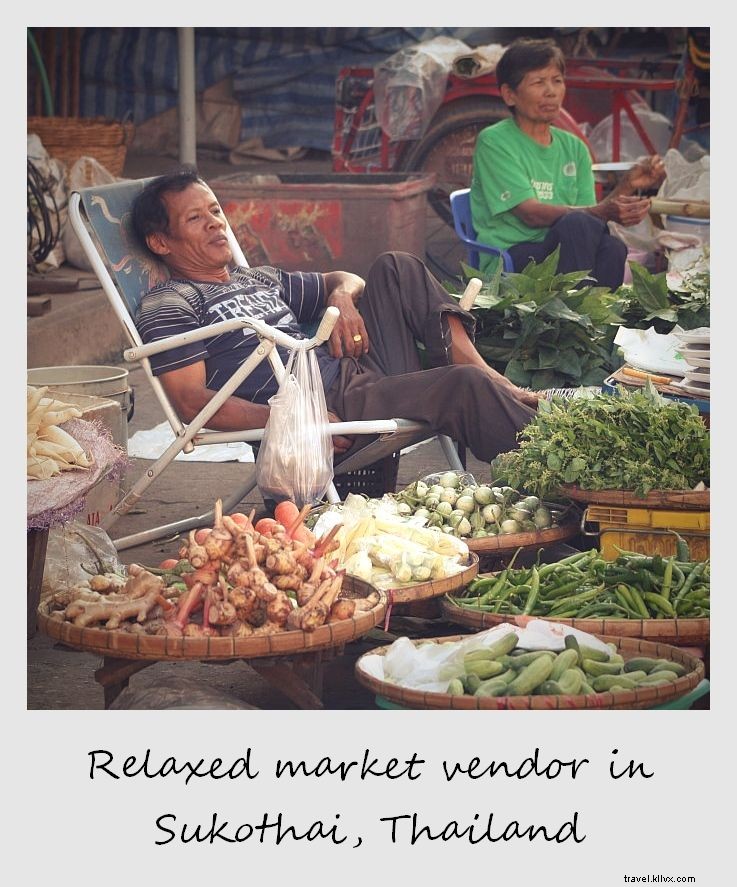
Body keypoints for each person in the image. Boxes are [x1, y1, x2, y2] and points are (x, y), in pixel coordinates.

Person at [131, 168, 538, 466]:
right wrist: (297, 419)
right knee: (460, 387)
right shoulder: (170, 302)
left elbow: (345, 278)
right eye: (195, 219)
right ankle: (566, 470)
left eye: (215, 210)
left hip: (356, 372)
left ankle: (489, 375)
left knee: (396, 266)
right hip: (329, 404)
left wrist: (342, 300)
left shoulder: (257, 277)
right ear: (160, 242)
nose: (216, 223)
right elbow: (189, 403)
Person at [470, 38, 667, 289]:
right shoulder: (494, 142)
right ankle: (571, 320)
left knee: (612, 247)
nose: (551, 91)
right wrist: (602, 211)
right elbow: (531, 214)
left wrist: (627, 185)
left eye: (557, 81)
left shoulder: (574, 148)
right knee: (578, 224)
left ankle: (595, 323)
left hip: (566, 248)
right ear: (510, 95)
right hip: (512, 255)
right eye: (538, 82)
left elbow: (592, 218)